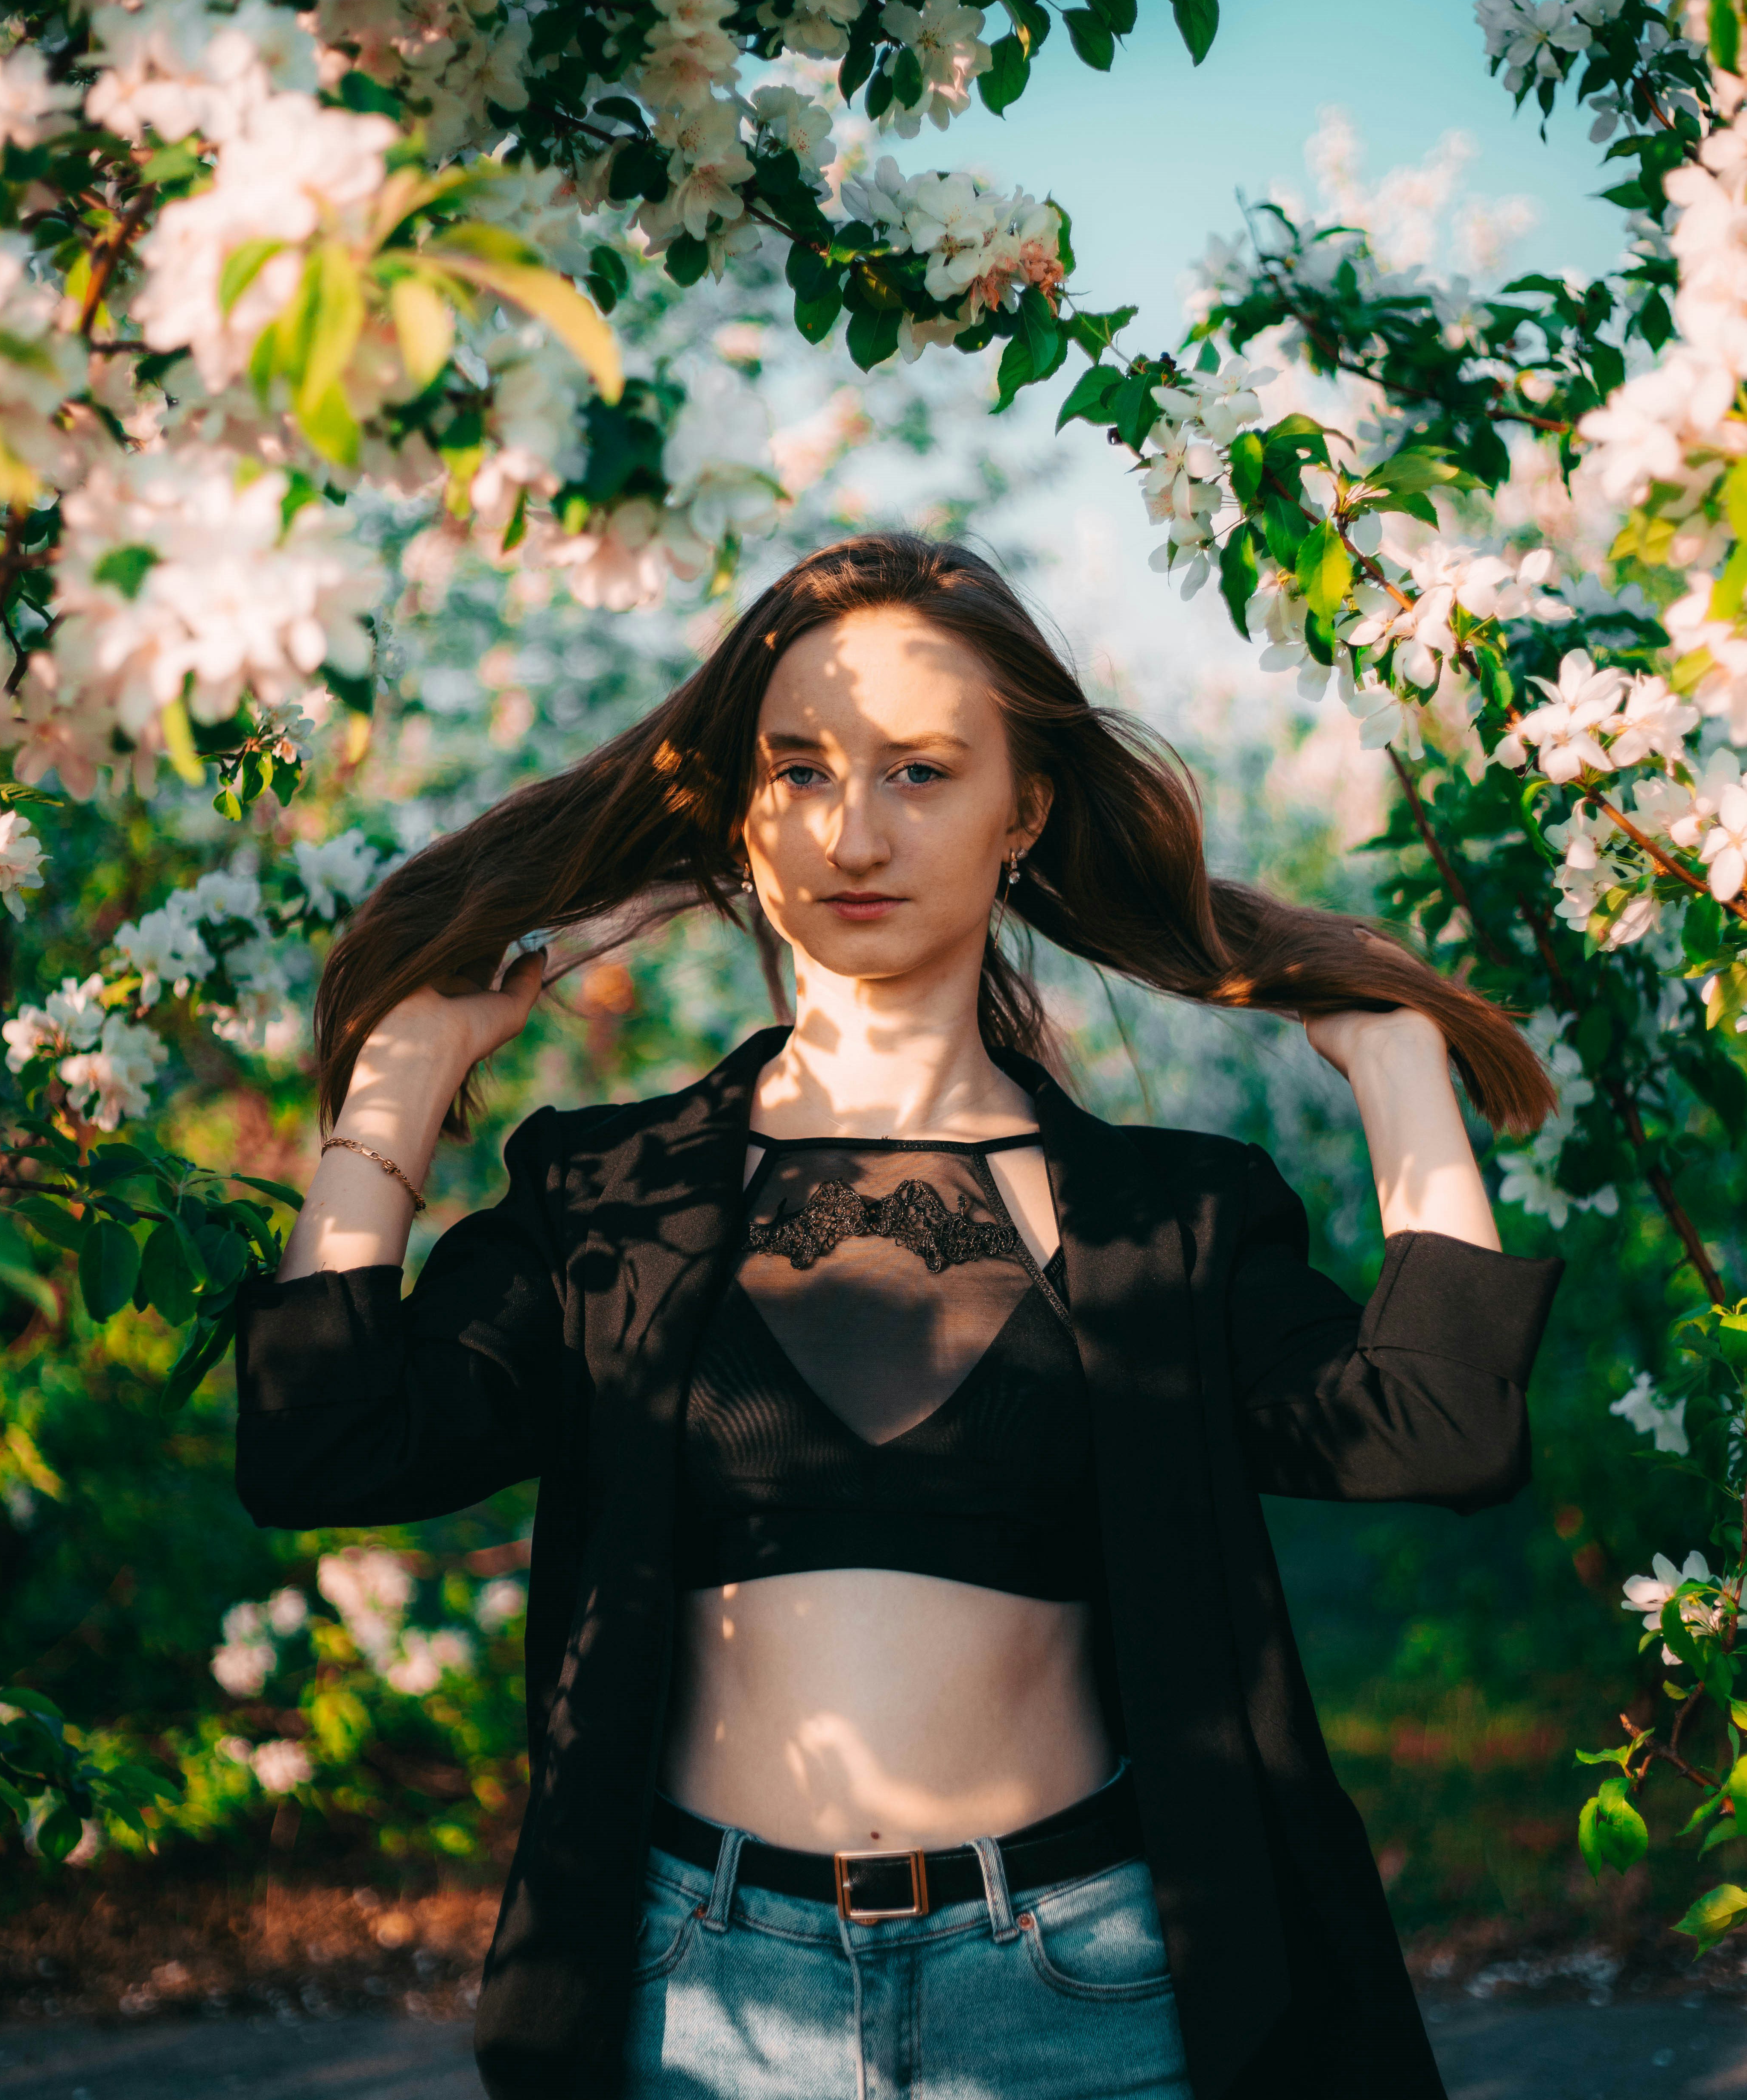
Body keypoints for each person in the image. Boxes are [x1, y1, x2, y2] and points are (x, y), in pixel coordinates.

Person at [234, 533, 1563, 2100]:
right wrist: (398, 1083)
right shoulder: (612, 1195)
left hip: (1085, 1989)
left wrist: (1401, 1067)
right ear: (740, 807)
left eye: (921, 771)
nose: (852, 831)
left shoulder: (1167, 1211)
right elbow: (325, 1447)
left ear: (1028, 811)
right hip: (695, 2003)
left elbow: (1441, 1427)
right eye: (798, 771)